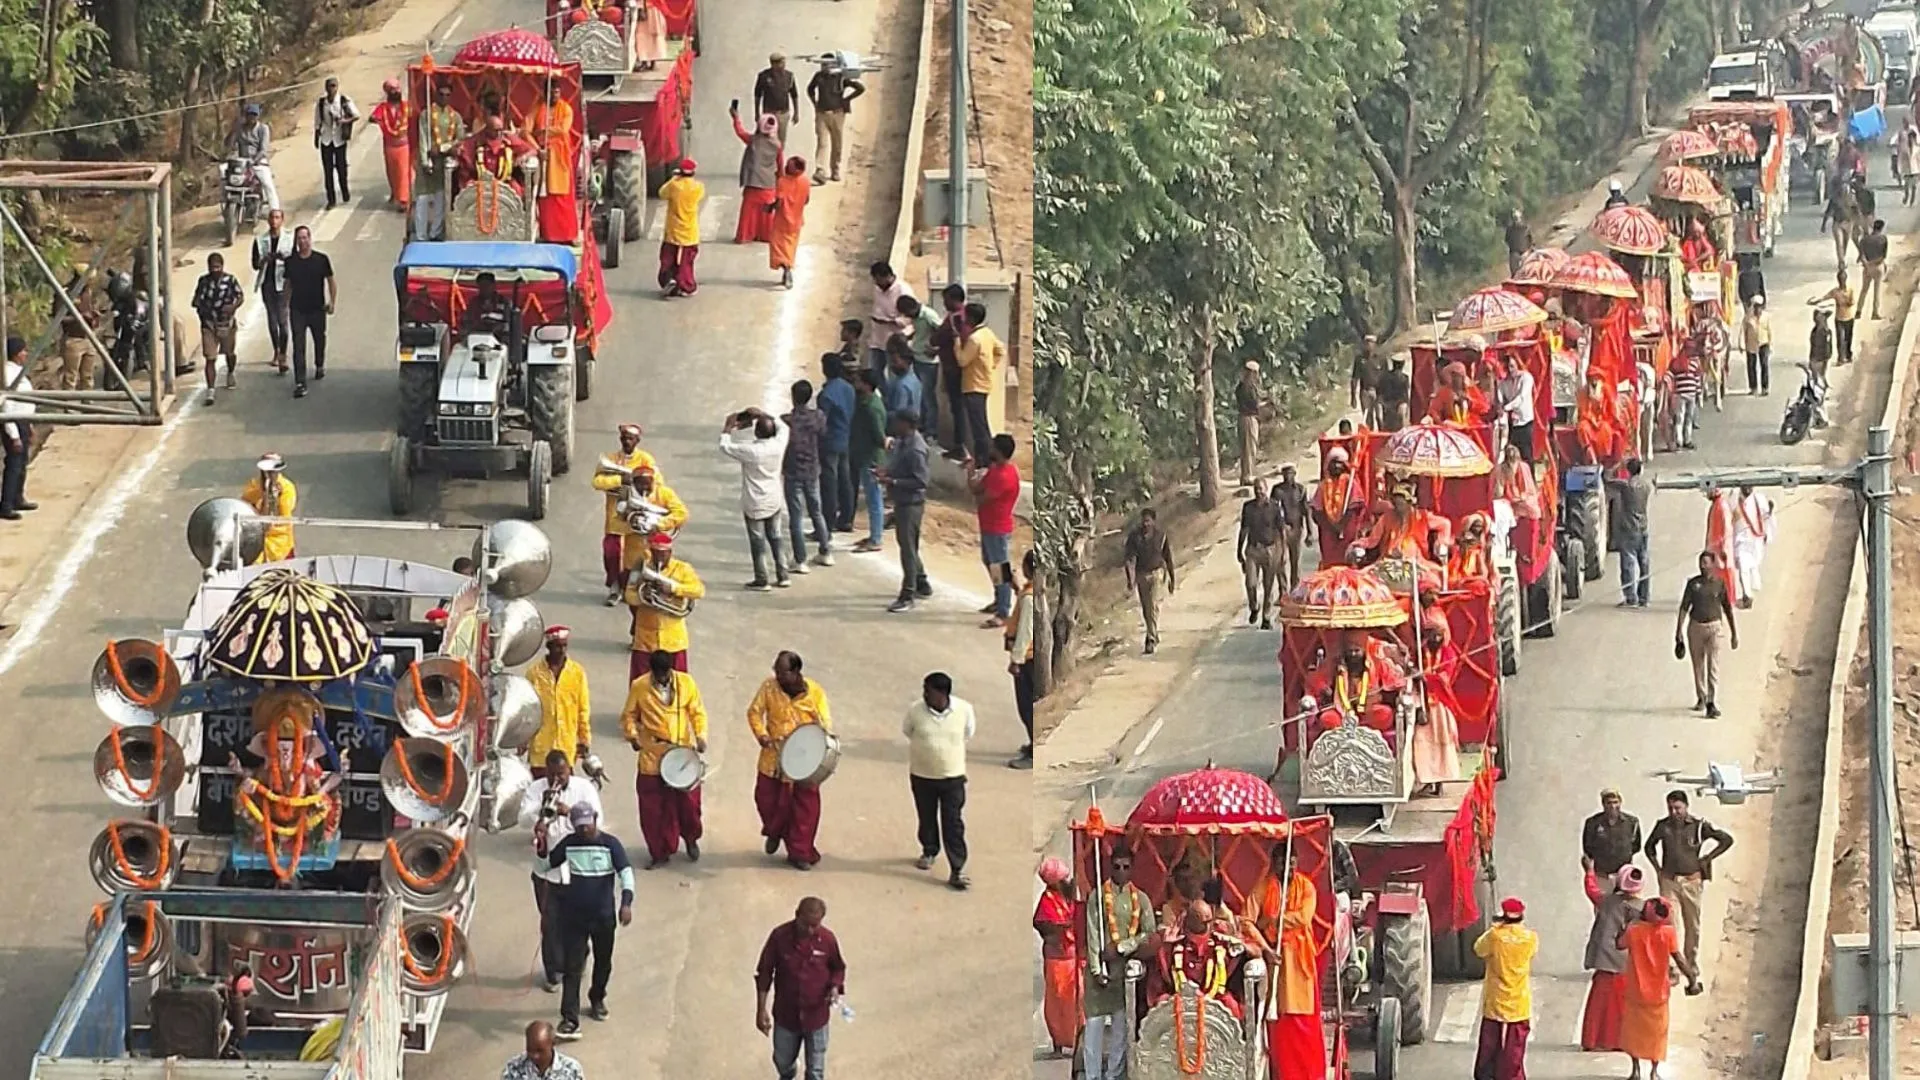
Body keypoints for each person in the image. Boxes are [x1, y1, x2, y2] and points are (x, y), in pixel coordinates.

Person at [544, 804, 634, 1038]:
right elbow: (548, 864)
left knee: (603, 961)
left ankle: (597, 998)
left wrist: (626, 903)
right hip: (574, 918)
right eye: (580, 825)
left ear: (595, 819)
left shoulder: (610, 844)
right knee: (572, 968)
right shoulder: (569, 843)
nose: (585, 829)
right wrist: (541, 842)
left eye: (588, 823)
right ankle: (569, 1018)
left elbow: (626, 873)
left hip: (603, 918)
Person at [1241, 842, 1324, 1079]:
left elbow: (1304, 917)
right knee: (1278, 1022)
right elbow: (1246, 921)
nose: (1286, 866)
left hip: (1299, 963)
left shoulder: (1306, 887)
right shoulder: (1264, 887)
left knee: (1303, 1021)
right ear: (1273, 863)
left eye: (1291, 861)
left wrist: (1273, 920)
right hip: (1274, 962)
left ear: (1297, 862)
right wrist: (1265, 947)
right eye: (1281, 861)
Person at [619, 648, 707, 868]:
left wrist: (701, 736)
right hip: (652, 753)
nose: (662, 678)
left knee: (689, 804)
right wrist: (632, 736)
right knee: (653, 808)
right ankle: (659, 852)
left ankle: (690, 837)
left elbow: (697, 712)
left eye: (664, 673)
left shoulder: (686, 683)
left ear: (670, 669)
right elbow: (628, 715)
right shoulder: (639, 686)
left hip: (681, 751)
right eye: (657, 674)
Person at [748, 652, 832, 868]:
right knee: (765, 799)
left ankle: (800, 852)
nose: (777, 675)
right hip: (773, 755)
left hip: (803, 760)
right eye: (775, 670)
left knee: (805, 809)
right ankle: (775, 831)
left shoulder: (815, 693)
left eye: (782, 672)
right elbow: (754, 713)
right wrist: (762, 735)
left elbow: (825, 725)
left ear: (796, 672)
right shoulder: (768, 687)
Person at [529, 750, 602, 993]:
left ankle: (576, 964)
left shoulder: (584, 789)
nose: (556, 781)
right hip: (546, 874)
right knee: (550, 925)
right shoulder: (536, 789)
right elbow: (520, 817)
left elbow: (596, 824)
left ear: (569, 769)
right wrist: (539, 815)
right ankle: (553, 971)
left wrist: (569, 812)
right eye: (551, 776)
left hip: (577, 871)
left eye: (560, 774)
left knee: (577, 924)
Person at [1082, 844, 1155, 1080]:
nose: (1121, 871)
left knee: (1120, 1031)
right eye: (1116, 867)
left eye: (1126, 867)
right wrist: (1096, 968)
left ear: (1132, 869)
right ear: (1110, 868)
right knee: (1093, 1028)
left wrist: (1123, 947)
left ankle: (1113, 1075)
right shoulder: (1098, 896)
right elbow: (1093, 932)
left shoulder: (1141, 899)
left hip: (1124, 973)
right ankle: (1092, 1076)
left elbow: (1149, 933)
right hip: (1100, 972)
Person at [1643, 788, 1734, 975]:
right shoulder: (1663, 826)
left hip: (1692, 882)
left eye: (1677, 808)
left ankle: (1691, 962)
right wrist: (1657, 869)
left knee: (1693, 925)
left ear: (1686, 807)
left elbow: (1726, 840)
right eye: (1670, 808)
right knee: (1669, 924)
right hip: (1669, 881)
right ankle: (1674, 966)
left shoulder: (1699, 826)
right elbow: (1649, 847)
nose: (1674, 812)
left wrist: (1708, 858)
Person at [754, 897, 846, 1080]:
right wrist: (761, 1009)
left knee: (815, 1071)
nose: (810, 930)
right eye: (806, 924)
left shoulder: (827, 940)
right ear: (797, 915)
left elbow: (838, 967)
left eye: (815, 925)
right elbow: (764, 972)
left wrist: (834, 987)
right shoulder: (779, 937)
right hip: (786, 1017)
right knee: (783, 1061)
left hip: (817, 1018)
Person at [903, 671, 974, 889]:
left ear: (943, 694)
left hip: (952, 778)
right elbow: (907, 731)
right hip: (922, 775)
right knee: (926, 817)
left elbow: (968, 733)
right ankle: (929, 850)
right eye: (924, 690)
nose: (925, 695)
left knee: (953, 823)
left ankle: (957, 868)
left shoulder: (964, 710)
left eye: (929, 692)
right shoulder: (915, 710)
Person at [1620, 897, 1704, 1079]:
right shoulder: (1668, 933)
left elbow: (1619, 944)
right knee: (1657, 1034)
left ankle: (1635, 1071)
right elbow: (1680, 960)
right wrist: (1692, 979)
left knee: (1634, 1032)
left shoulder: (1634, 932)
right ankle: (1654, 1072)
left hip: (1635, 991)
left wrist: (1628, 923)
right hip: (1659, 994)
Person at [721, 407, 793, 590]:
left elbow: (725, 446)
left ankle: (762, 579)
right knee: (776, 537)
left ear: (756, 432)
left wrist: (728, 427)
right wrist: (762, 414)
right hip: (774, 498)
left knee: (758, 542)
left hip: (754, 502)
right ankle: (783, 575)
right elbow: (784, 427)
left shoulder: (751, 451)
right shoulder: (778, 444)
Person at [592, 424, 664, 605]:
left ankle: (628, 588)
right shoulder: (611, 459)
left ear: (637, 441)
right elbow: (597, 482)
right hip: (615, 517)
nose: (626, 441)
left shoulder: (645, 459)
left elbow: (658, 482)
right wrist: (620, 479)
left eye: (630, 439)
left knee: (633, 557)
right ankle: (614, 587)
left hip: (636, 518)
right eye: (624, 438)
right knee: (611, 554)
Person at [1581, 863, 1647, 1054]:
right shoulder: (1642, 909)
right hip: (1623, 962)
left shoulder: (1607, 901)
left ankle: (1591, 1040)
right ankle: (1617, 1041)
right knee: (1619, 1006)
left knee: (1598, 1003)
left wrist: (1589, 872)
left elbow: (1591, 890)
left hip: (1602, 959)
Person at [1473, 897, 1538, 1080]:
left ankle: (1486, 1074)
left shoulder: (1495, 936)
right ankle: (1512, 1075)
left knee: (1489, 1041)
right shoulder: (1530, 937)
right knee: (1515, 1044)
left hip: (1496, 997)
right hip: (1519, 999)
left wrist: (1496, 928)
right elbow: (1532, 953)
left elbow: (1478, 949)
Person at [623, 532, 704, 677]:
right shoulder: (642, 568)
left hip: (674, 639)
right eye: (656, 553)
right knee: (640, 682)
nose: (659, 557)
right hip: (645, 640)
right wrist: (643, 597)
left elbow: (699, 591)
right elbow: (629, 595)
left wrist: (674, 589)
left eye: (663, 553)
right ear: (651, 552)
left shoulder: (683, 569)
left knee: (679, 683)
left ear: (670, 552)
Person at [878, 409, 933, 612]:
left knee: (908, 550)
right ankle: (921, 582)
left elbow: (921, 481)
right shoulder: (903, 442)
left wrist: (893, 481)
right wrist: (886, 472)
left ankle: (908, 594)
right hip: (902, 502)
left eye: (898, 422)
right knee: (907, 545)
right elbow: (899, 466)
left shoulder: (916, 449)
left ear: (908, 424)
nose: (894, 425)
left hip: (911, 504)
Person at [1675, 549, 1739, 718]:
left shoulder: (1720, 584)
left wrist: (1734, 633)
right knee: (1698, 664)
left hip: (1715, 628)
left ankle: (1711, 700)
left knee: (1713, 665)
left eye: (1706, 562)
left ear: (1713, 565)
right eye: (1701, 563)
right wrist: (1679, 631)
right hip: (1695, 627)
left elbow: (1727, 609)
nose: (1702, 566)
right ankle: (1701, 696)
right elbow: (1684, 607)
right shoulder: (1693, 584)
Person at [969, 434, 1021, 625]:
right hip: (990, 526)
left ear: (998, 451)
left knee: (999, 567)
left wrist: (974, 479)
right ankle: (1000, 600)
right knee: (992, 563)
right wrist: (971, 473)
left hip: (997, 528)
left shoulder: (1003, 476)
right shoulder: (997, 470)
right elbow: (976, 490)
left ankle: (1003, 610)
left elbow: (980, 497)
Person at [781, 380, 833, 571]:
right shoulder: (818, 417)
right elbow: (823, 431)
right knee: (816, 511)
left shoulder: (790, 420)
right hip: (812, 469)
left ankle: (800, 559)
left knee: (796, 515)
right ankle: (825, 551)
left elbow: (783, 420)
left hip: (793, 470)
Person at [528, 626, 592, 775]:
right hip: (541, 748)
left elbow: (583, 708)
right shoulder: (534, 673)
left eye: (564, 646)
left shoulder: (577, 673)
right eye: (557, 646)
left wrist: (584, 738)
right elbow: (528, 709)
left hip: (566, 747)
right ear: (549, 647)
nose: (562, 650)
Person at [1033, 856, 1080, 1058]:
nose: (1069, 881)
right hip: (1056, 959)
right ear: (1056, 882)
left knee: (1076, 1000)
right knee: (1056, 1001)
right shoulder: (1047, 900)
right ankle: (1058, 1044)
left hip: (1073, 957)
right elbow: (1041, 924)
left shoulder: (1069, 897)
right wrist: (1060, 928)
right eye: (1065, 878)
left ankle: (1078, 1042)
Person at [283, 226, 334, 399]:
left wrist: (331, 302)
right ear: (296, 241)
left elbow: (331, 281)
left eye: (305, 238)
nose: (302, 241)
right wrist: (285, 303)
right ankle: (300, 382)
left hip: (317, 308)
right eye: (299, 238)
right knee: (298, 346)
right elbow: (288, 284)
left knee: (320, 339)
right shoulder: (291, 262)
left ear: (310, 239)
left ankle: (319, 364)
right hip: (297, 309)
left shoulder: (321, 259)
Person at [527, 83, 581, 245]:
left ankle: (568, 235)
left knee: (562, 197)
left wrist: (542, 131)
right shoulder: (537, 107)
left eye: (557, 92)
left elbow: (563, 130)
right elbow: (525, 130)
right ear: (545, 92)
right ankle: (549, 235)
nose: (554, 95)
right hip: (542, 158)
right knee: (545, 198)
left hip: (559, 159)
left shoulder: (566, 109)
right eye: (551, 92)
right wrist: (538, 148)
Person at [957, 302, 1005, 465]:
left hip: (973, 386)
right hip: (983, 383)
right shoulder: (987, 333)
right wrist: (990, 366)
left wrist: (957, 343)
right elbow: (1000, 350)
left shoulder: (974, 339)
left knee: (978, 428)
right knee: (981, 424)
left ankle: (984, 460)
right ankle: (984, 458)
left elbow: (963, 360)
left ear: (970, 318)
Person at [192, 252, 243, 402]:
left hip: (227, 323)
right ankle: (211, 389)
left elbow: (240, 296)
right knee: (210, 357)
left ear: (222, 266)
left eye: (217, 267)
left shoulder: (230, 280)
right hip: (209, 324)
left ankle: (231, 372)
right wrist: (202, 309)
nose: (215, 270)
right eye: (212, 267)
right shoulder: (203, 281)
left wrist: (232, 307)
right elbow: (196, 300)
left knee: (229, 352)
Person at [414, 81, 462, 240]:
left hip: (444, 164)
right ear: (435, 95)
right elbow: (423, 138)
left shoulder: (456, 117)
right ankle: (421, 235)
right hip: (427, 162)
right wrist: (425, 161)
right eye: (441, 94)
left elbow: (460, 140)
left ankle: (435, 233)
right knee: (422, 200)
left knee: (441, 200)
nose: (444, 98)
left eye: (447, 95)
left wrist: (442, 148)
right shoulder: (426, 114)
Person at [848, 370, 889, 554]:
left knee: (874, 499)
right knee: (873, 497)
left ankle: (876, 538)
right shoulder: (867, 402)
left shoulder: (871, 408)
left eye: (858, 381)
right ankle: (874, 535)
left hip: (871, 458)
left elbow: (879, 437)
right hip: (865, 455)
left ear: (866, 385)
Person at [730, 105, 784, 245]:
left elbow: (740, 132)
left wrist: (736, 117)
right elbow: (780, 167)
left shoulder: (753, 140)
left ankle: (745, 236)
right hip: (768, 185)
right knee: (766, 213)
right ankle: (765, 236)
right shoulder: (778, 145)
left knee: (748, 213)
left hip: (752, 183)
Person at [1238, 479, 1288, 630]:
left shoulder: (1274, 507)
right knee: (1250, 583)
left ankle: (1266, 617)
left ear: (1266, 489)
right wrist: (1239, 550)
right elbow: (1244, 529)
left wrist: (1283, 551)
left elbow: (1281, 530)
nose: (1258, 491)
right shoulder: (1248, 507)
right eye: (1256, 489)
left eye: (1261, 488)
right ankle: (1254, 606)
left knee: (1268, 585)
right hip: (1253, 549)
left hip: (1270, 549)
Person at [1124, 508, 1175, 654]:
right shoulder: (1134, 537)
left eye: (1148, 521)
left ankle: (1150, 639)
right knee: (1147, 609)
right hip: (1141, 575)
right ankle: (1153, 632)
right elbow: (1129, 559)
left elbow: (1168, 558)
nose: (1146, 524)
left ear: (1153, 521)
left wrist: (1172, 578)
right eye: (1144, 521)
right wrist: (1130, 579)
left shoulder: (1161, 536)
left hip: (1157, 573)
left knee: (1152, 605)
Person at [806, 59, 865, 183]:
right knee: (822, 142)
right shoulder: (819, 76)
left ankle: (835, 170)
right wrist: (815, 103)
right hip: (822, 113)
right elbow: (810, 89)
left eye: (828, 65)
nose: (825, 67)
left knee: (837, 143)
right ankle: (820, 169)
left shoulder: (841, 77)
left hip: (838, 113)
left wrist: (847, 99)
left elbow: (860, 88)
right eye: (823, 65)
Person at [1007, 548, 1038, 769]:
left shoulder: (1029, 598)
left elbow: (1026, 631)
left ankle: (1033, 753)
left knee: (1026, 707)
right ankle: (1031, 744)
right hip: (1032, 657)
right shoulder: (1031, 591)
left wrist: (1016, 660)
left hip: (1027, 660)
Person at [251, 209, 293, 374]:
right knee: (272, 318)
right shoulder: (260, 240)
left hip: (284, 283)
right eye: (272, 218)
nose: (274, 221)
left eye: (277, 218)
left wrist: (284, 258)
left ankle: (282, 353)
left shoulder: (289, 238)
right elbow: (255, 264)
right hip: (267, 284)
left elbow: (294, 260)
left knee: (283, 320)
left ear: (282, 220)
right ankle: (276, 349)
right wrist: (264, 260)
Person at [931, 283, 970, 458]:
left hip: (953, 368)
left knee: (958, 408)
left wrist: (936, 343)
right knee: (957, 408)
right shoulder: (961, 316)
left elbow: (940, 338)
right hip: (953, 365)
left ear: (954, 299)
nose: (944, 303)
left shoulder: (956, 319)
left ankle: (960, 445)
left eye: (946, 300)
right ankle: (959, 444)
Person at [1608, 459, 1654, 608]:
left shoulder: (1626, 485)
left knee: (1628, 564)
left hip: (1628, 529)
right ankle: (1644, 597)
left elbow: (1607, 479)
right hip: (1643, 527)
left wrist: (1617, 464)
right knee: (1644, 563)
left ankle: (1630, 597)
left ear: (1628, 471)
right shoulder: (1646, 486)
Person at [897, 293, 944, 436]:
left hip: (928, 362)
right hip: (917, 358)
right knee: (920, 396)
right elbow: (919, 332)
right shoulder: (917, 318)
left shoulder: (929, 315)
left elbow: (942, 333)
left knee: (928, 396)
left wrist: (936, 349)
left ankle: (932, 430)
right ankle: (922, 424)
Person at [817, 355, 854, 532]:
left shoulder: (826, 394)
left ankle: (827, 522)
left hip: (830, 441)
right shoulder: (849, 388)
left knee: (829, 483)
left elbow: (822, 421)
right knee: (845, 480)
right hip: (845, 438)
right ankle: (846, 518)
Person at [657, 160, 704, 297]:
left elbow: (662, 193)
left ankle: (668, 280)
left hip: (673, 230)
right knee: (686, 262)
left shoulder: (674, 186)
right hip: (689, 231)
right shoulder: (698, 187)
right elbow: (700, 195)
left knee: (668, 258)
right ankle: (686, 285)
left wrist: (674, 178)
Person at [1313, 446, 1365, 564]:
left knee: (1346, 561)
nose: (1336, 466)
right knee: (1330, 564)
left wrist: (1342, 525)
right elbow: (1316, 511)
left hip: (1346, 531)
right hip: (1328, 534)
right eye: (1333, 463)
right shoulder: (1323, 486)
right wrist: (1331, 527)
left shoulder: (1351, 483)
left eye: (1339, 463)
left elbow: (1355, 507)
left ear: (1344, 465)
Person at [0, 337, 33, 520]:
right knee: (13, 465)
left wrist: (31, 424)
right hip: (14, 423)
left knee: (21, 464)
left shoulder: (18, 371)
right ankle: (6, 505)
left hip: (24, 421)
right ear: (15, 353)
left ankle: (18, 498)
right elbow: (7, 406)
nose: (25, 354)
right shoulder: (7, 374)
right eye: (23, 351)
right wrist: (14, 435)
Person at [312, 77, 358, 208]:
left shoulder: (343, 101)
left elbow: (356, 115)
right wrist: (316, 138)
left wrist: (343, 121)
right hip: (326, 139)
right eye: (329, 86)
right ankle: (331, 200)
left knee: (341, 168)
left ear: (337, 87)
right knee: (328, 171)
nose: (331, 89)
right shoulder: (322, 103)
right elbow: (317, 121)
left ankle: (344, 190)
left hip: (339, 139)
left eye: (333, 86)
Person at [241, 453, 296, 562]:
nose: (271, 473)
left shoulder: (287, 487)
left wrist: (276, 494)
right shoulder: (254, 484)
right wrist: (264, 491)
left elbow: (284, 514)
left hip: (280, 541)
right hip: (256, 539)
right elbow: (244, 502)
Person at [767, 157, 811, 289]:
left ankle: (786, 268)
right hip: (797, 220)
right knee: (790, 247)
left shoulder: (783, 181)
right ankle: (788, 266)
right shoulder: (805, 181)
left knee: (778, 246)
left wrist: (770, 208)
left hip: (782, 220)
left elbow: (779, 202)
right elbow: (807, 200)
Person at [1730, 483, 1773, 609]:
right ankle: (1746, 596)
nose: (1748, 489)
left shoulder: (1759, 499)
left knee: (1753, 565)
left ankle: (1752, 589)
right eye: (1745, 487)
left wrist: (1770, 513)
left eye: (1750, 487)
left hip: (1755, 539)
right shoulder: (1734, 498)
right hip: (1741, 540)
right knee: (1744, 567)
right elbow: (1730, 516)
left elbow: (1766, 517)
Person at [370, 79, 411, 209]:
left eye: (398, 88)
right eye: (392, 89)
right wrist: (377, 120)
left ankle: (403, 201)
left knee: (403, 172)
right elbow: (372, 117)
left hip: (404, 146)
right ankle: (396, 193)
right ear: (388, 92)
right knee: (392, 173)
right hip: (390, 147)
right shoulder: (383, 108)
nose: (396, 91)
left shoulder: (407, 106)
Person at [866, 262, 911, 379]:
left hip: (894, 341)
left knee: (894, 376)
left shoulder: (903, 290)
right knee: (875, 374)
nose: (876, 283)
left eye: (878, 280)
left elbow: (910, 317)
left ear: (887, 276)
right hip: (877, 339)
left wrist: (889, 322)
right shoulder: (877, 289)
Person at [1272, 463, 1312, 591]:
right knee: (1281, 561)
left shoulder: (1300, 489)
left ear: (1295, 474)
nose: (1287, 476)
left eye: (1290, 473)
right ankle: (1283, 590)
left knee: (1295, 560)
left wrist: (1310, 533)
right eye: (1285, 474)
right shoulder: (1277, 490)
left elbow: (1306, 511)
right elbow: (1272, 510)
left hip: (1296, 528)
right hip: (1281, 529)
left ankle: (1295, 588)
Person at [501, 1021, 585, 1080]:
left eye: (540, 1051)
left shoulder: (572, 1069)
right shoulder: (513, 1068)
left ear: (553, 1044)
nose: (534, 1056)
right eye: (530, 1050)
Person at [754, 52, 802, 144]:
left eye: (783, 62)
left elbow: (794, 95)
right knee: (767, 139)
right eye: (780, 62)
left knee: (781, 140)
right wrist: (757, 113)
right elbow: (757, 95)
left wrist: (796, 113)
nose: (783, 64)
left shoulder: (789, 76)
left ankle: (779, 158)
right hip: (769, 113)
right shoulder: (764, 76)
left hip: (783, 113)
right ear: (773, 64)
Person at [1236, 360, 1269, 488]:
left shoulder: (1243, 386)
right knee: (1249, 447)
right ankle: (1247, 475)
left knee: (1248, 447)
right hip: (1248, 418)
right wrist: (1267, 403)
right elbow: (1255, 404)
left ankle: (1247, 473)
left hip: (1245, 418)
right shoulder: (1247, 387)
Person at [1498, 356, 1538, 462]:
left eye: (1512, 366)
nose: (1510, 370)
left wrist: (1506, 408)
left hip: (1525, 421)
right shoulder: (1503, 383)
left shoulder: (1526, 378)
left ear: (1517, 365)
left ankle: (1530, 477)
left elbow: (1521, 398)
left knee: (1526, 455)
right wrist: (1500, 407)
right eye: (1508, 367)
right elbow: (1500, 398)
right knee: (1509, 454)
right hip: (1511, 423)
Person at [1814, 269, 1857, 364]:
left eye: (1843, 279)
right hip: (1839, 318)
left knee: (1848, 338)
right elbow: (1826, 296)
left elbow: (1852, 302)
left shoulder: (1849, 291)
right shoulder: (1835, 291)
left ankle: (1848, 355)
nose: (1842, 281)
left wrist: (1846, 301)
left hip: (1849, 317)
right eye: (1840, 279)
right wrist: (1818, 300)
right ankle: (1841, 358)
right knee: (1840, 338)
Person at [882, 338, 923, 420]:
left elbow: (899, 414)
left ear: (906, 360)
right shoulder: (914, 378)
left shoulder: (902, 386)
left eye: (894, 361)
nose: (891, 365)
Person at [1669, 352, 1703, 450]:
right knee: (1689, 418)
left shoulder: (1676, 365)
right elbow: (1697, 380)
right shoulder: (1694, 365)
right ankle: (1687, 440)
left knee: (1680, 418)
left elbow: (1673, 379)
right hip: (1691, 394)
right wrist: (1698, 392)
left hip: (1680, 394)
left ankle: (1678, 440)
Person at [1377, 353, 1411, 432]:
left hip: (1388, 405)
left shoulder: (1385, 377)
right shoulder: (1404, 378)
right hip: (1396, 405)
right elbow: (1405, 395)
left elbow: (1380, 392)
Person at [1351, 334, 1380, 425]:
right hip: (1365, 391)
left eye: (1371, 343)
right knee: (1368, 418)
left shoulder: (1380, 358)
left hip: (1379, 392)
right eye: (1366, 343)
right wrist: (1353, 396)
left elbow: (1385, 376)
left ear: (1374, 344)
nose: (1368, 345)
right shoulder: (1359, 360)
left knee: (1380, 417)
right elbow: (1355, 378)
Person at [1504, 209, 1532, 277]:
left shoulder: (1526, 228)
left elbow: (1530, 240)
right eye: (1515, 218)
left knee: (1528, 271)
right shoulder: (1510, 229)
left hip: (1525, 252)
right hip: (1514, 252)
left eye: (1518, 218)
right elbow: (1507, 240)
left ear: (1520, 218)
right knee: (1514, 273)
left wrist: (1528, 250)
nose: (1517, 220)